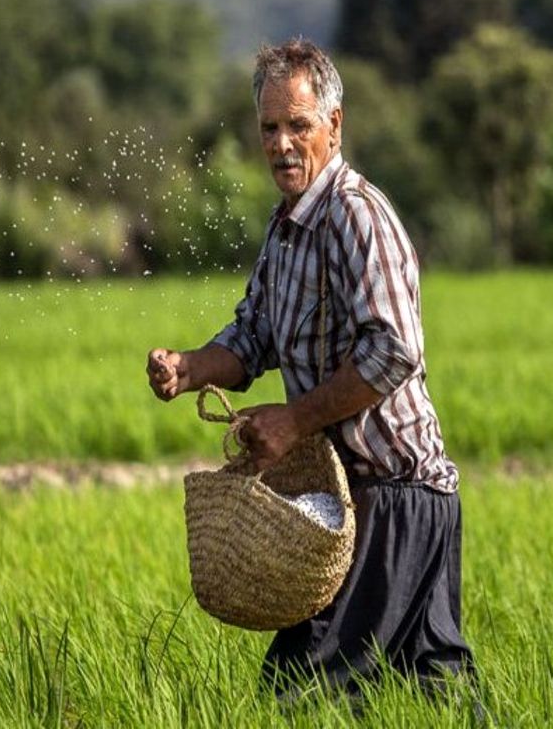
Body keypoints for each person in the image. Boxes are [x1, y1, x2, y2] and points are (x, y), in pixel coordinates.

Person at [145, 38, 476, 705]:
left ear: (335, 124)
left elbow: (395, 350)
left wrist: (294, 420)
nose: (282, 143)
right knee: (430, 690)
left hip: (399, 494)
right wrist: (189, 367)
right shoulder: (287, 228)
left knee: (299, 687)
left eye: (299, 124)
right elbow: (255, 336)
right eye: (270, 127)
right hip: (362, 500)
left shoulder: (356, 215)